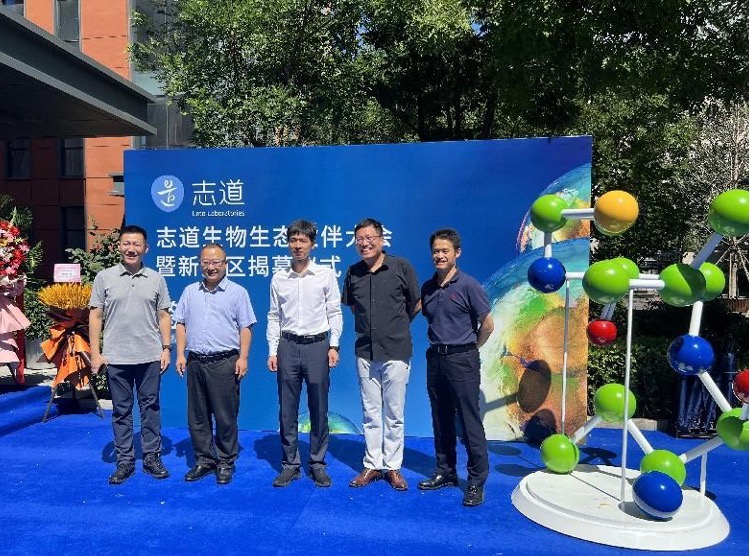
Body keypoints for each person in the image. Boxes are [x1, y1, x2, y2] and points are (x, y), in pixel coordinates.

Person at [89, 225, 172, 485]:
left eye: (137, 244)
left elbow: (164, 315)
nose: (131, 249)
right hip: (116, 357)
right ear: (119, 246)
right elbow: (96, 315)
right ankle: (124, 461)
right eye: (126, 243)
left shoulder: (156, 279)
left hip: (149, 355)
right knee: (121, 411)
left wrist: (166, 348)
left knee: (150, 408)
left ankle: (151, 457)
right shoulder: (104, 277)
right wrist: (95, 352)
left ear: (146, 248)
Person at [342, 218, 420, 491]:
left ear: (381, 239)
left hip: (396, 350)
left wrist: (395, 327)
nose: (364, 243)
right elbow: (354, 307)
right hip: (365, 351)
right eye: (359, 240)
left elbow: (415, 303)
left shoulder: (401, 267)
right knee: (371, 412)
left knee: (394, 413)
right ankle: (372, 464)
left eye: (369, 238)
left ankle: (393, 467)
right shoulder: (353, 273)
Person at [418, 228, 494, 506]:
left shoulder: (469, 285)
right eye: (436, 251)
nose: (439, 255)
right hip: (435, 359)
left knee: (468, 420)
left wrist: (472, 347)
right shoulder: (428, 287)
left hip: (463, 359)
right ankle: (446, 471)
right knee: (441, 419)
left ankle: (476, 480)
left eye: (445, 251)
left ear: (457, 253)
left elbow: (488, 325)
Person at [267, 220, 343, 488]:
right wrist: (272, 349)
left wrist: (334, 345)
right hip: (287, 346)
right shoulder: (279, 278)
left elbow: (335, 312)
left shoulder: (325, 275)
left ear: (313, 244)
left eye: (303, 241)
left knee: (318, 407)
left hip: (317, 345)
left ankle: (317, 463)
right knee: (287, 409)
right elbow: (274, 316)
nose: (297, 246)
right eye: (293, 240)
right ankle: (290, 464)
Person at [173, 243, 256, 485]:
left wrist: (243, 357)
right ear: (200, 263)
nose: (211, 267)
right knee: (197, 416)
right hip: (196, 361)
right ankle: (204, 460)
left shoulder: (237, 292)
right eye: (206, 262)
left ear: (225, 264)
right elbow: (180, 323)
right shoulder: (190, 291)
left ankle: (225, 462)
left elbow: (246, 327)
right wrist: (180, 354)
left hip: (224, 362)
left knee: (225, 416)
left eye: (216, 262)